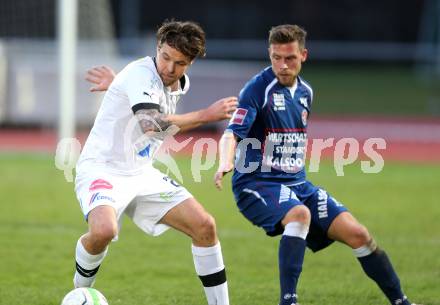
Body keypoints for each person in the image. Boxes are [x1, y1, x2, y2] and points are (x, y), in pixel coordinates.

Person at [214, 24, 420, 305]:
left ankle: (402, 302)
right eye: (276, 57)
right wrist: (225, 162)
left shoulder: (306, 92)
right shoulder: (257, 90)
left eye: (290, 58)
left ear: (304, 56)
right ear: (269, 54)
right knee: (299, 215)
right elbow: (231, 134)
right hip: (256, 184)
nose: (283, 65)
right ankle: (289, 302)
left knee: (358, 234)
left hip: (299, 184)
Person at [74, 20, 237, 305]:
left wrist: (118, 86)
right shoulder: (140, 73)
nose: (170, 69)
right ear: (157, 47)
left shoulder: (177, 83)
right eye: (165, 57)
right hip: (102, 168)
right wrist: (206, 115)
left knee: (205, 226)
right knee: (103, 231)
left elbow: (145, 95)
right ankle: (79, 293)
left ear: (191, 62)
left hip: (141, 173)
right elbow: (152, 125)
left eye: (180, 63)